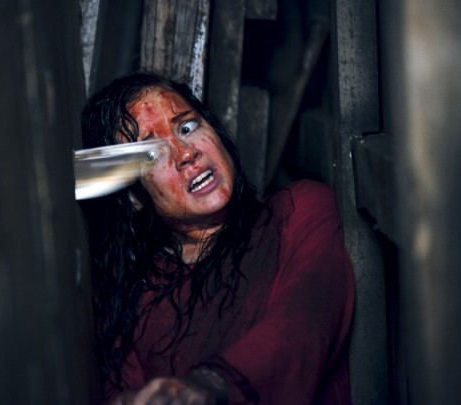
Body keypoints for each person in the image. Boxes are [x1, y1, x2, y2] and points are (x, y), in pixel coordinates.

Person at [80, 72, 355, 404]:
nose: (186, 154)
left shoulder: (300, 211)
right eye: (152, 154)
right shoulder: (132, 299)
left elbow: (304, 321)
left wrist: (211, 385)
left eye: (186, 127)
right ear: (134, 196)